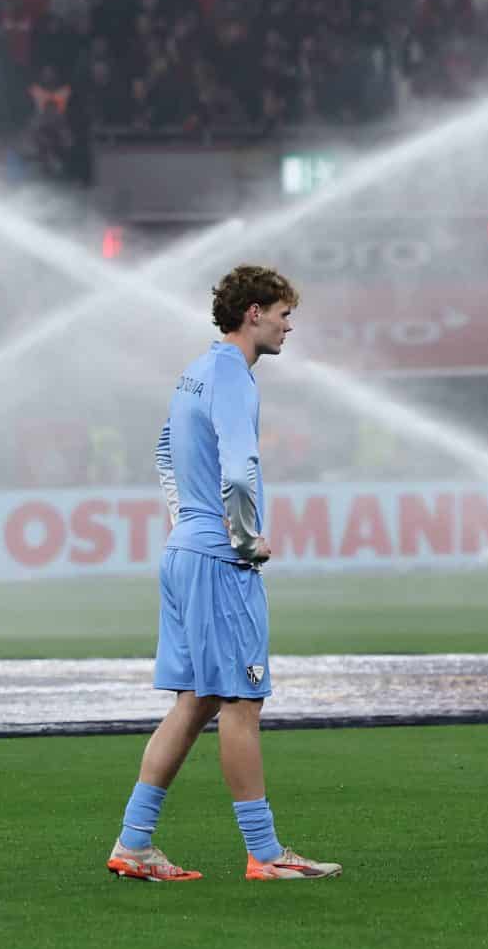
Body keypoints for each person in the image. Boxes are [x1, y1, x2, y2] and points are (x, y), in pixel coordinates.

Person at [105, 265, 342, 883]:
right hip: (217, 558)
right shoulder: (233, 376)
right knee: (242, 701)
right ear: (253, 313)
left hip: (184, 551)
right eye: (284, 314)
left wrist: (186, 519)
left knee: (196, 701)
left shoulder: (196, 371)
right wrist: (242, 539)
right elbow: (239, 469)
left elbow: (163, 451)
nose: (289, 326)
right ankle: (264, 854)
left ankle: (134, 844)